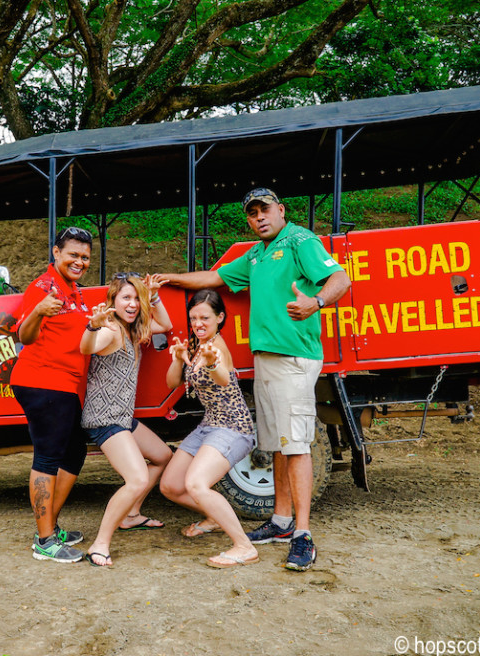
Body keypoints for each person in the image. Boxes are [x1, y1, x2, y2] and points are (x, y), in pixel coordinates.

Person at [160, 188, 351, 571]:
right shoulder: (257, 254)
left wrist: (315, 302)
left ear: (281, 210)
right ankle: (280, 521)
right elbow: (215, 277)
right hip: (267, 359)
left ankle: (302, 534)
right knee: (278, 444)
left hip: (294, 357)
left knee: (295, 445)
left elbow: (340, 279)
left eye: (265, 209)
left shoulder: (299, 239)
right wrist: (171, 278)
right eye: (252, 213)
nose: (259, 216)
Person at [11, 226, 95, 563]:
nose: (80, 261)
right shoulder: (43, 288)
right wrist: (37, 311)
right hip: (42, 381)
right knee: (47, 456)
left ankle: (51, 526)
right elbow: (24, 335)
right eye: (73, 254)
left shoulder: (73, 290)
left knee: (74, 451)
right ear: (56, 253)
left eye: (85, 257)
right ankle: (45, 540)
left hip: (66, 384)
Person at [160, 289, 260, 568]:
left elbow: (224, 379)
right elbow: (171, 384)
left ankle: (244, 546)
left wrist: (214, 362)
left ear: (220, 318)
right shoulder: (196, 344)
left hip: (233, 427)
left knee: (195, 484)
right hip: (209, 425)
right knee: (170, 486)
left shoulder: (217, 348)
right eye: (193, 318)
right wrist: (178, 358)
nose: (198, 323)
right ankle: (214, 517)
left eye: (205, 317)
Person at [79, 273, 173, 567]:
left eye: (136, 298)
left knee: (162, 456)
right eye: (126, 298)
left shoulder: (134, 330)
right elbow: (87, 347)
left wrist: (154, 297)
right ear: (113, 302)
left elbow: (166, 326)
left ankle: (131, 515)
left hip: (123, 416)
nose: (132, 304)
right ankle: (100, 544)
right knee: (136, 478)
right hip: (105, 418)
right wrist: (92, 326)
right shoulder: (112, 331)